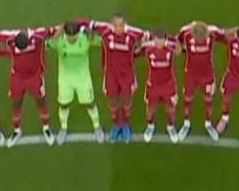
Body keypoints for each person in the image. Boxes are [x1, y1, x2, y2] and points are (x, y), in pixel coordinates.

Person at [0, 27, 55, 147]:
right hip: (17, 77)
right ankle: (17, 130)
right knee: (16, 103)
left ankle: (46, 128)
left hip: (35, 76)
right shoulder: (9, 38)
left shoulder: (38, 36)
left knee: (41, 101)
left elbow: (55, 30)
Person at [88, 12, 144, 142]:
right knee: (112, 100)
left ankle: (125, 125)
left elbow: (149, 36)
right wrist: (89, 33)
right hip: (110, 75)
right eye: (116, 25)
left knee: (126, 101)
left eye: (121, 25)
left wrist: (138, 49)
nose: (118, 28)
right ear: (112, 24)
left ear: (125, 24)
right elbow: (88, 23)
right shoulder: (106, 32)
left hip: (127, 75)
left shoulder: (133, 34)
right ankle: (115, 125)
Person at [45, 21, 104, 145]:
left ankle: (97, 126)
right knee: (64, 104)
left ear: (78, 34)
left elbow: (103, 41)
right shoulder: (59, 41)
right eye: (69, 38)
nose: (72, 40)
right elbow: (46, 45)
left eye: (75, 37)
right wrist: (56, 34)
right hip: (65, 80)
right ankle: (64, 128)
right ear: (65, 34)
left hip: (83, 79)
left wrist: (91, 33)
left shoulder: (85, 39)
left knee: (90, 103)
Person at [178, 20, 223, 141]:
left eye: (202, 39)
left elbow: (226, 35)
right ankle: (186, 124)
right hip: (191, 75)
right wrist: (181, 49)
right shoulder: (185, 33)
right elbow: (178, 41)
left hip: (207, 75)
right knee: (187, 99)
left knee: (208, 100)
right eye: (198, 39)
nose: (200, 41)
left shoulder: (213, 33)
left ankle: (208, 124)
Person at [139, 26, 180, 143]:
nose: (159, 42)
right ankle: (150, 126)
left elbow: (179, 48)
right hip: (152, 85)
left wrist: (173, 40)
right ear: (154, 39)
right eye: (157, 40)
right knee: (151, 108)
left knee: (171, 108)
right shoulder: (147, 48)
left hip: (169, 85)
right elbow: (137, 49)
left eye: (162, 40)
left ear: (165, 39)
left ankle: (170, 127)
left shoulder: (170, 48)